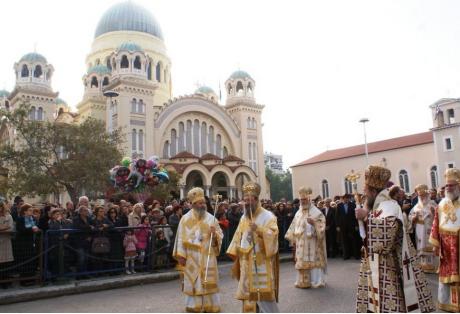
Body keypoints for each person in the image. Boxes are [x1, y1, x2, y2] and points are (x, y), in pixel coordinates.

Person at [355, 165, 435, 313]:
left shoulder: (389, 205)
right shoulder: (378, 205)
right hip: (376, 263)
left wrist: (365, 218)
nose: (365, 196)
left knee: (390, 302)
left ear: (373, 191)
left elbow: (387, 236)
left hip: (390, 265)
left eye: (366, 192)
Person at [226, 182, 279, 313]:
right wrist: (234, 252)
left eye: (249, 200)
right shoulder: (244, 217)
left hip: (261, 261)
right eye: (245, 200)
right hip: (246, 260)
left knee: (263, 294)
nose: (247, 203)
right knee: (248, 293)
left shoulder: (268, 216)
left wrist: (259, 230)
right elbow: (238, 235)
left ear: (256, 200)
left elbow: (273, 234)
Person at [173, 187, 223, 313]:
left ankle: (210, 307)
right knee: (194, 282)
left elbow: (220, 236)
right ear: (193, 204)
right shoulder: (185, 219)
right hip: (192, 257)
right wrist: (181, 256)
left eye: (203, 203)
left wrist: (215, 234)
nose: (202, 205)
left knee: (208, 282)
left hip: (208, 257)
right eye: (200, 203)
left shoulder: (212, 219)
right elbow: (180, 238)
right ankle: (194, 307)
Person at [429, 168, 460, 312]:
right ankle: (448, 303)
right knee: (448, 276)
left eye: (451, 185)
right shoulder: (441, 204)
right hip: (446, 248)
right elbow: (436, 223)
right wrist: (435, 245)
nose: (448, 188)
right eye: (447, 186)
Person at [285, 187, 326, 289]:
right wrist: (292, 238)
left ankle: (316, 281)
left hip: (312, 242)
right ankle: (302, 281)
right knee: (302, 261)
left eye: (304, 200)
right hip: (300, 243)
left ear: (309, 200)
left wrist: (314, 223)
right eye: (301, 200)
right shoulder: (298, 212)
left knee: (313, 261)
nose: (302, 202)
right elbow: (294, 225)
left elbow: (322, 225)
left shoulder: (316, 212)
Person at [408, 184, 437, 273]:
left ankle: (432, 266)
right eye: (420, 196)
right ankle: (422, 265)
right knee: (421, 246)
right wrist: (413, 218)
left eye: (423, 195)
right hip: (419, 230)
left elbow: (439, 216)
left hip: (429, 228)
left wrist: (434, 212)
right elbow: (410, 216)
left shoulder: (432, 204)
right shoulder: (416, 206)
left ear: (427, 195)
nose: (421, 197)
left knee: (430, 246)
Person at [335, 194, 360, 260]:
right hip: (343, 226)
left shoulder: (353, 205)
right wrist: (337, 226)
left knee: (354, 240)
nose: (346, 199)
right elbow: (337, 216)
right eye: (344, 198)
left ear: (348, 199)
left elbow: (355, 216)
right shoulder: (339, 205)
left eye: (347, 198)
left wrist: (356, 225)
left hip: (352, 226)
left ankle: (356, 255)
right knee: (344, 241)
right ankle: (346, 255)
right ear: (342, 199)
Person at [0, 197, 14, 288]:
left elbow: (11, 228)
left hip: (6, 241)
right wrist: (5, 227)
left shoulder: (9, 216)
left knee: (6, 262)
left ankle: (5, 281)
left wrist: (3, 228)